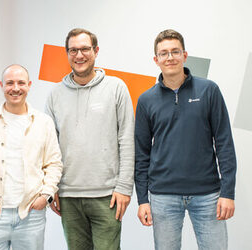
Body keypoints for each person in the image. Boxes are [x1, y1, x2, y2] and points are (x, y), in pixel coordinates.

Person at [134, 29, 237, 250]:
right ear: (156, 59)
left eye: (175, 51)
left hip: (208, 195)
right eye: (164, 53)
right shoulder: (146, 100)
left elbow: (224, 144)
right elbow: (141, 154)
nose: (170, 57)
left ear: (185, 55)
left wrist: (227, 192)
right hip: (163, 196)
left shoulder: (209, 90)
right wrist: (142, 199)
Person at [45, 28, 135, 250]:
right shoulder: (55, 94)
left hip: (107, 196)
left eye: (85, 49)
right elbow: (49, 146)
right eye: (73, 50)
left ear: (95, 51)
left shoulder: (116, 87)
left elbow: (126, 138)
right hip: (68, 195)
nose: (79, 55)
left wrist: (124, 187)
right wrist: (51, 187)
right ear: (67, 54)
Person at [0, 64, 62, 250]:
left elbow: (54, 164)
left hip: (31, 215)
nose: (15, 88)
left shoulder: (44, 122)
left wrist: (46, 195)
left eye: (21, 83)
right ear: (1, 85)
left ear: (29, 85)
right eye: (10, 83)